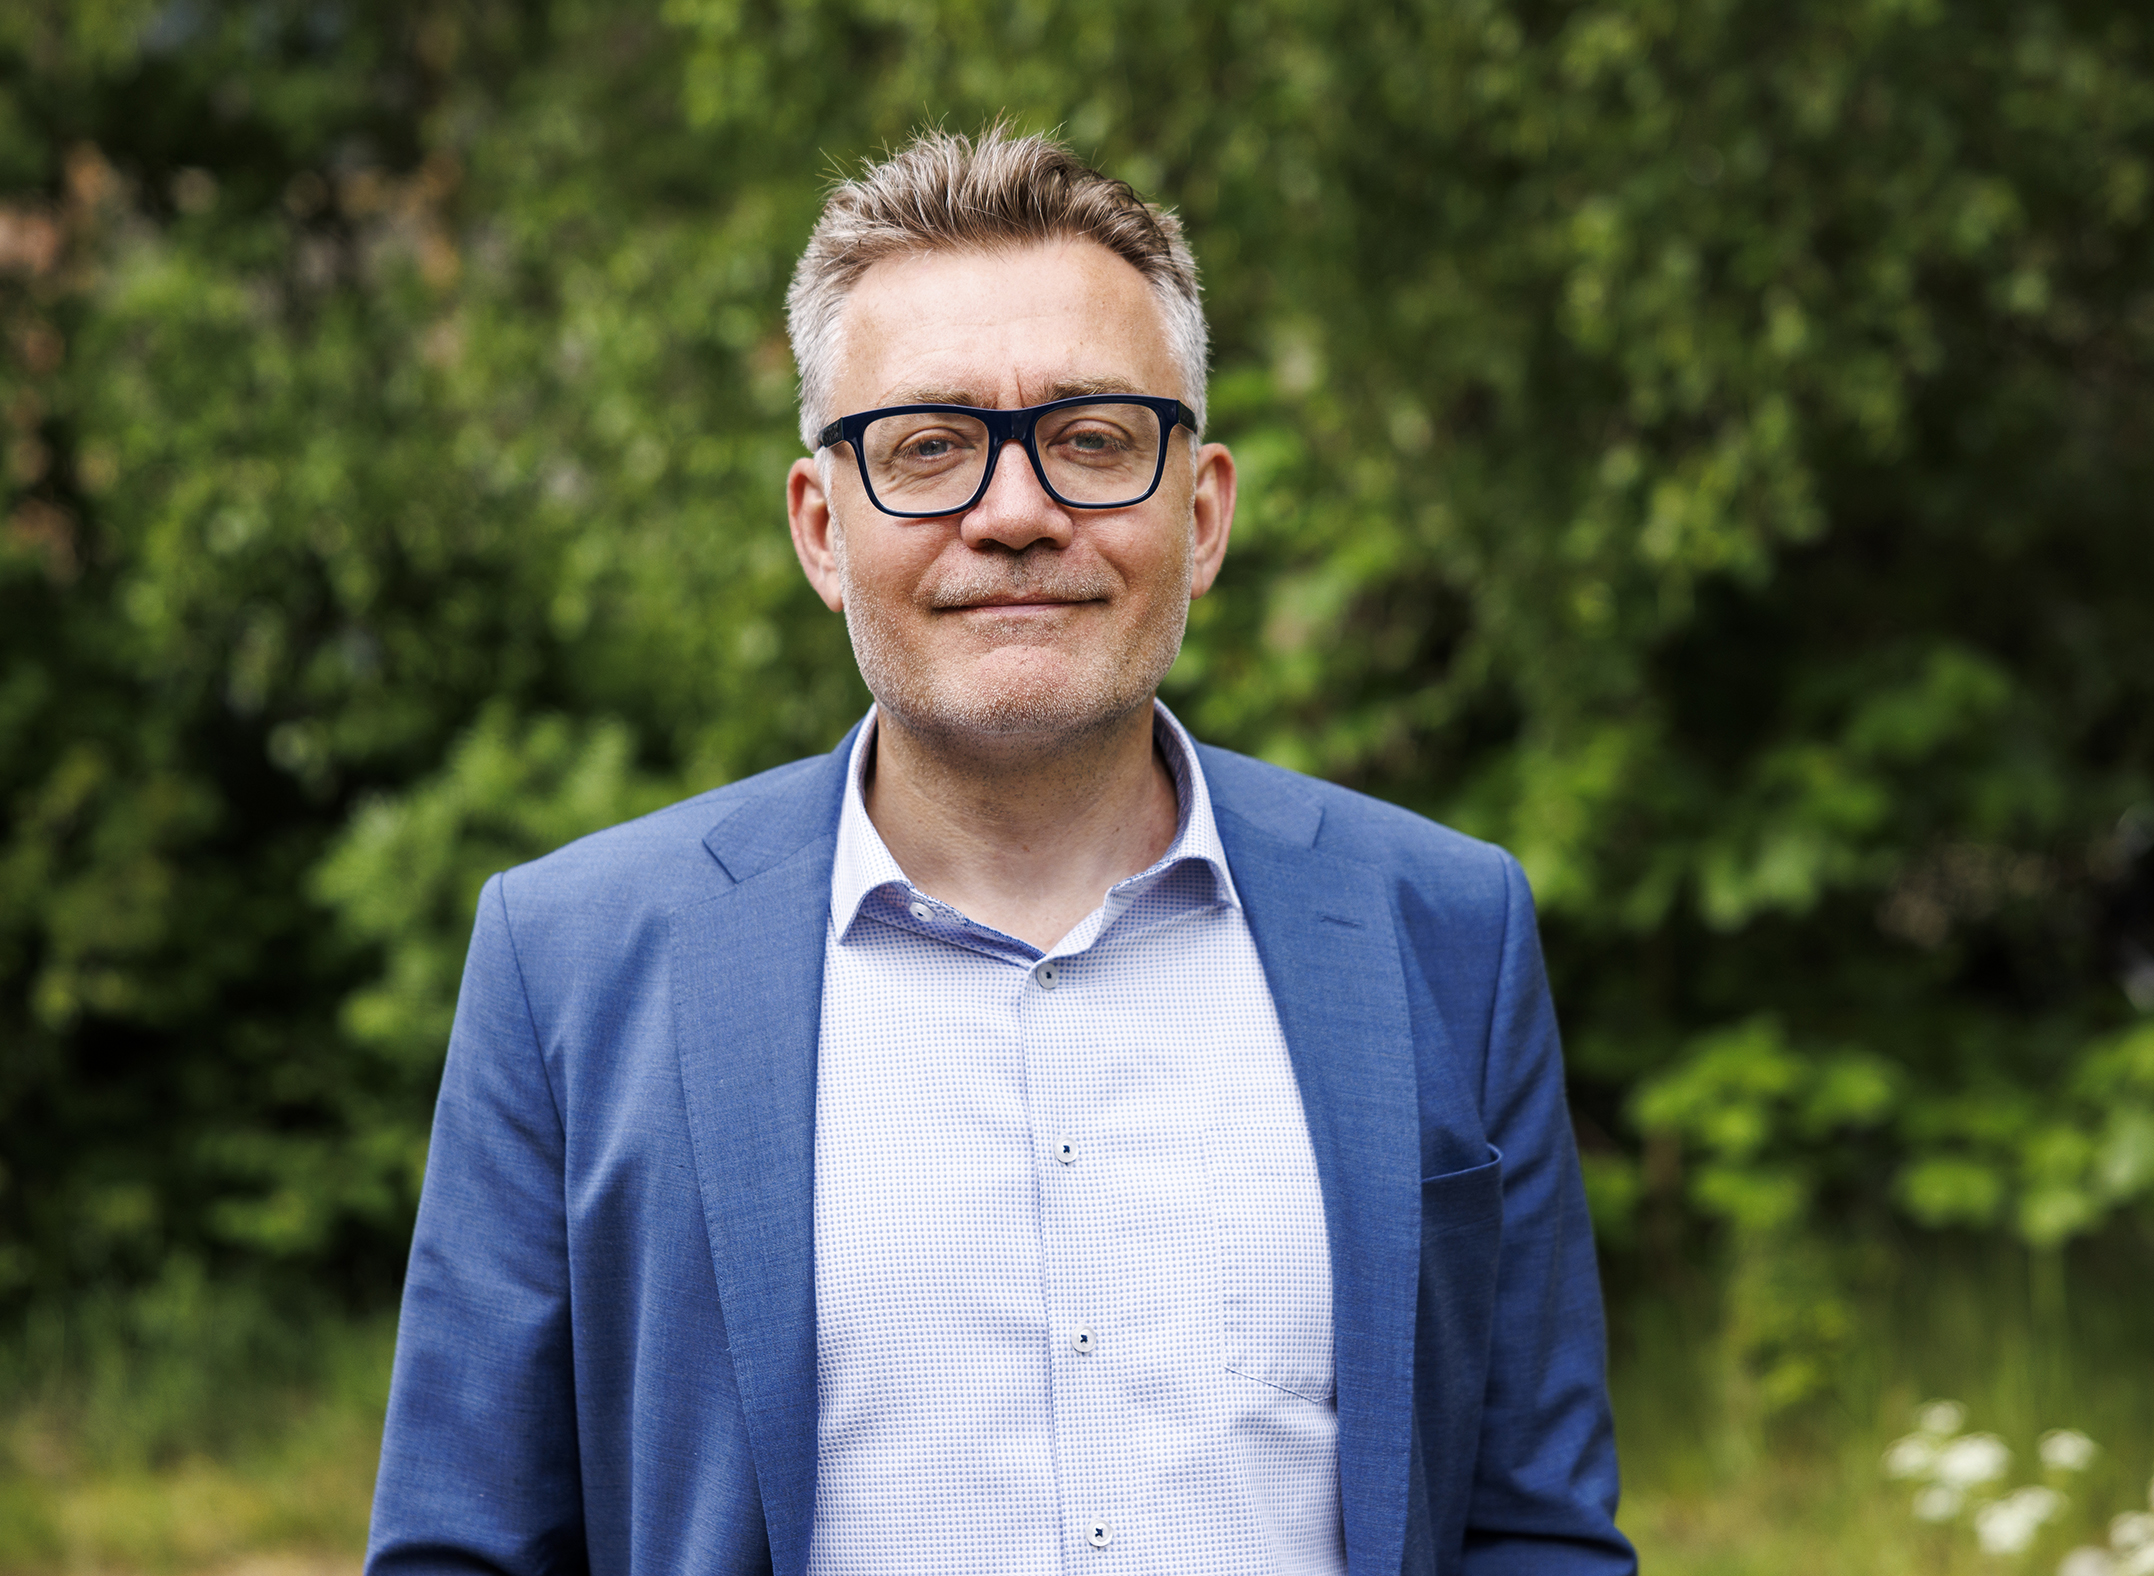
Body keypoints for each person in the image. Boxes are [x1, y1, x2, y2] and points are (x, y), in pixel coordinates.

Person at [367, 126, 1635, 1576]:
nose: (1016, 513)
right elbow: (464, 1548)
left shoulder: (1446, 930)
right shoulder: (569, 964)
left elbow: (1533, 1530)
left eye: (1093, 440)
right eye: (928, 447)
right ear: (820, 528)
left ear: (1202, 512)